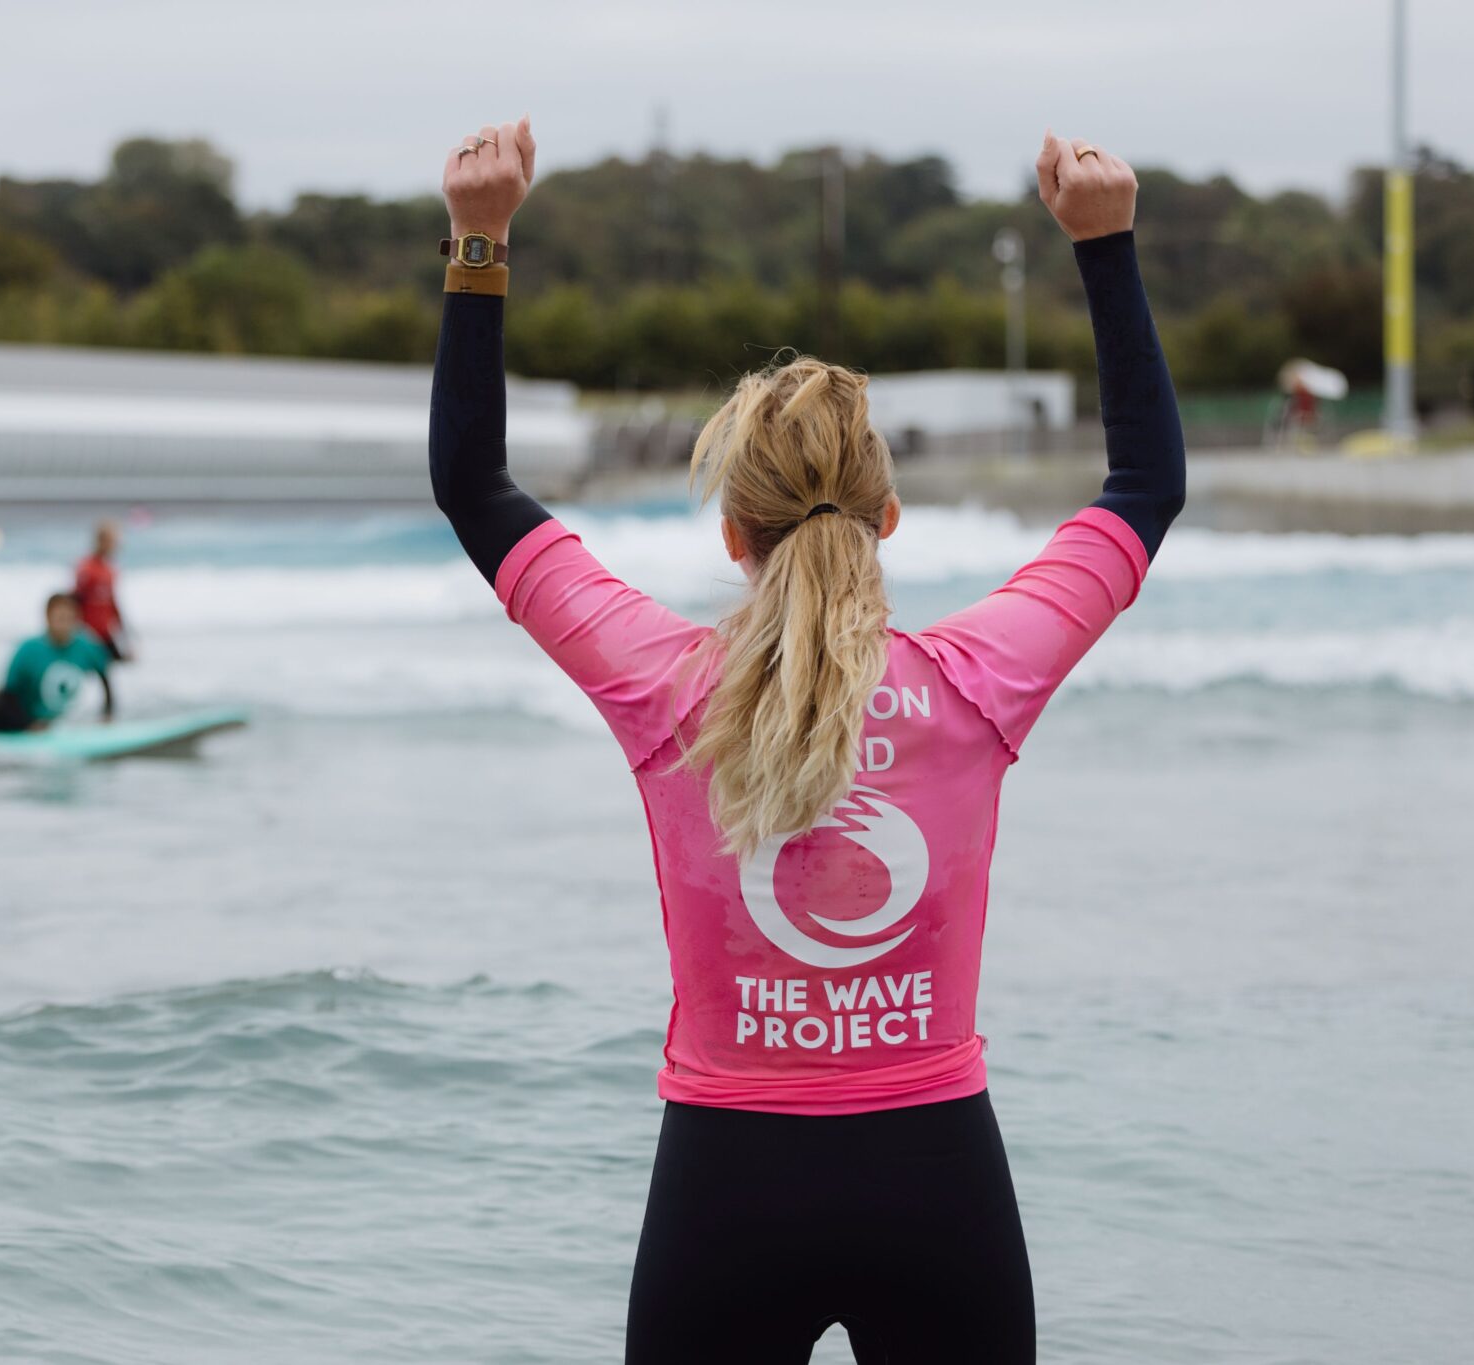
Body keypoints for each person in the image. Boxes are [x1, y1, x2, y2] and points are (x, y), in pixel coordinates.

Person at [429, 118, 1184, 1364]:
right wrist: (1102, 243)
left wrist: (481, 236)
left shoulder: (666, 688)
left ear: (735, 535)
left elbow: (474, 483)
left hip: (725, 1190)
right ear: (887, 517)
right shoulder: (977, 679)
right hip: (936, 1183)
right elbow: (1143, 485)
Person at [0, 592, 115, 733]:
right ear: (47, 618)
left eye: (69, 619)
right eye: (59, 618)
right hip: (13, 712)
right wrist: (28, 725)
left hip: (45, 720)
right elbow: (8, 695)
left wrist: (107, 714)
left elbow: (105, 676)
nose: (64, 625)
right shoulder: (28, 650)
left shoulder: (87, 646)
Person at [73, 520, 133, 662]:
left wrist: (122, 628)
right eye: (113, 541)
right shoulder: (86, 568)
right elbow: (75, 600)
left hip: (105, 631)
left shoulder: (110, 570)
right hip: (86, 633)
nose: (116, 546)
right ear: (100, 541)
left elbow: (112, 602)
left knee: (112, 666)